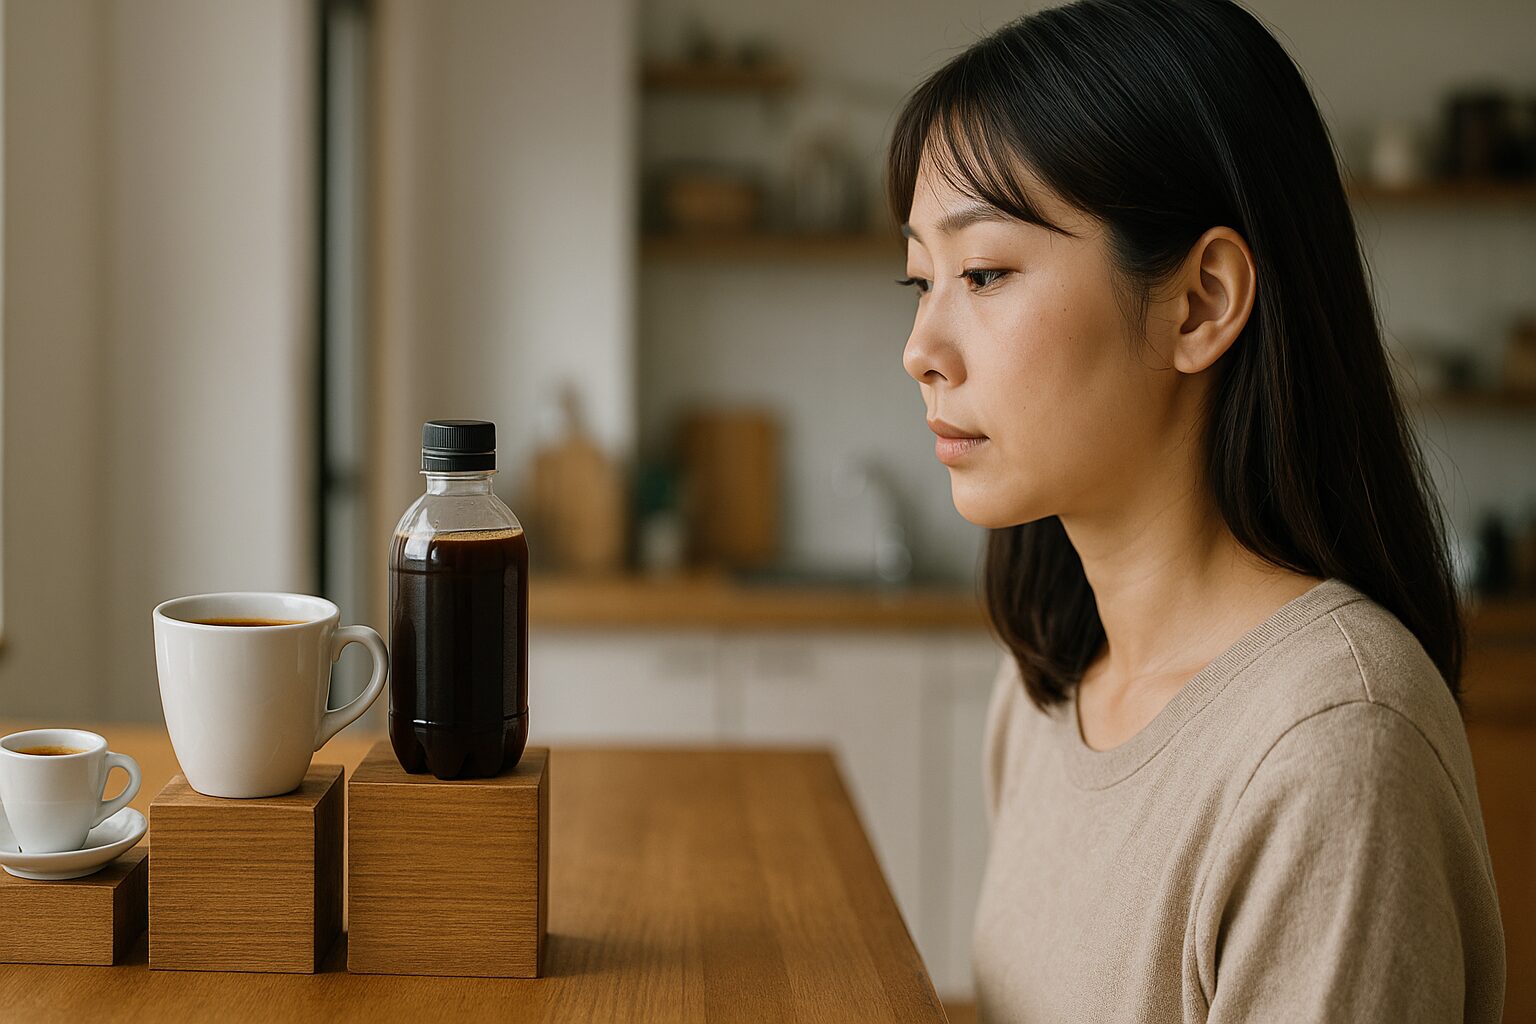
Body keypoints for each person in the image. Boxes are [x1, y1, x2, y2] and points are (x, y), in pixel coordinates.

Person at [887, 1, 1506, 1020]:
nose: (921, 349)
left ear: (1203, 301)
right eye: (920, 279)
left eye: (984, 272)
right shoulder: (1047, 684)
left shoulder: (1333, 749)